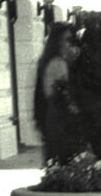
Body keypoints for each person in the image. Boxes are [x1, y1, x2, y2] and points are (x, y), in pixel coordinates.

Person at [33, 21, 82, 164]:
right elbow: (59, 92)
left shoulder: (51, 61)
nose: (69, 44)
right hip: (60, 118)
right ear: (58, 42)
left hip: (54, 116)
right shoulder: (57, 63)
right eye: (67, 40)